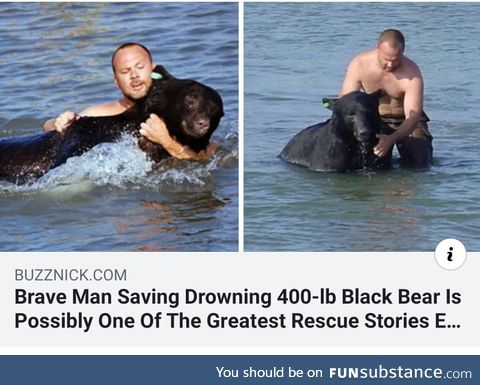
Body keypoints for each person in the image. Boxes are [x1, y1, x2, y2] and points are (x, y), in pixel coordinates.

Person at [43, 42, 210, 160]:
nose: (134, 75)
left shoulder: (174, 110)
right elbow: (47, 127)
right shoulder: (104, 113)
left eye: (140, 67)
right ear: (116, 81)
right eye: (125, 71)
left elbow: (208, 157)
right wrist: (58, 122)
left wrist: (166, 141)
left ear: (153, 69)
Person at [340, 29, 433, 168]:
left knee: (419, 165)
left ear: (403, 52)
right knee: (371, 165)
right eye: (386, 60)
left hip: (407, 121)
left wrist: (391, 139)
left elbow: (413, 116)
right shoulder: (360, 64)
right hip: (376, 119)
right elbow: (347, 102)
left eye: (395, 60)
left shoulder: (412, 73)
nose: (390, 65)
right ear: (377, 48)